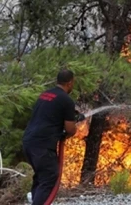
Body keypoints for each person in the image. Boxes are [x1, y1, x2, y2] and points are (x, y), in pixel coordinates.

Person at [22, 69, 85, 205]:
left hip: (29, 142)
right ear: (69, 83)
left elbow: (49, 114)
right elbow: (70, 129)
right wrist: (75, 123)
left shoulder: (45, 94)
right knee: (50, 177)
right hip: (42, 146)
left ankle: (35, 200)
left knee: (41, 177)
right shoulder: (66, 100)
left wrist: (71, 116)